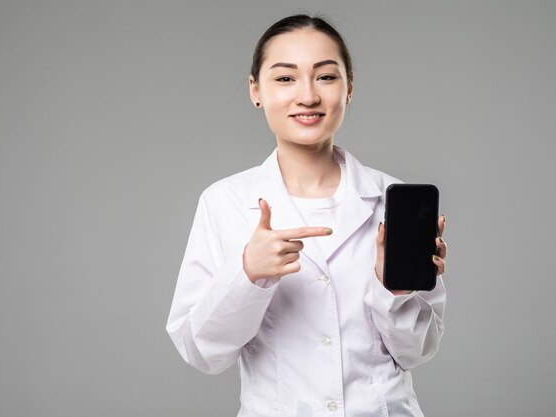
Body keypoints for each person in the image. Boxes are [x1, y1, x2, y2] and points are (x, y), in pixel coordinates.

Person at [166, 14, 447, 417]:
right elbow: (201, 351)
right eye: (285, 78)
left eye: (326, 77)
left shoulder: (395, 202)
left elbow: (418, 351)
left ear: (349, 88)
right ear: (255, 90)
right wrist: (247, 275)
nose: (308, 96)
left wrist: (395, 292)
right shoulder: (224, 202)